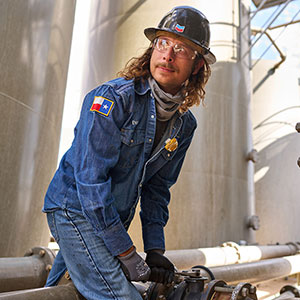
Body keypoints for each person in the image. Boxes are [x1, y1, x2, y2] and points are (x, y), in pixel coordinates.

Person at [43, 5, 216, 300]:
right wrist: (126, 252)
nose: (168, 55)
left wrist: (155, 250)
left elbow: (157, 189)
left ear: (197, 65)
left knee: (60, 292)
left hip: (110, 222)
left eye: (182, 49)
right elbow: (91, 183)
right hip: (74, 210)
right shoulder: (111, 99)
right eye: (162, 43)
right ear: (152, 49)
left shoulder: (184, 125)